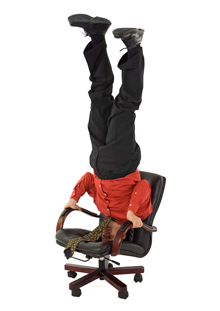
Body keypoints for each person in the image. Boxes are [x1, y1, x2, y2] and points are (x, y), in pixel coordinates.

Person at [63, 14, 153, 242]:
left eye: (101, 236)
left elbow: (87, 179)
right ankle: (134, 46)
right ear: (121, 236)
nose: (105, 234)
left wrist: (74, 198)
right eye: (108, 238)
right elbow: (143, 185)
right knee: (125, 106)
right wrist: (132, 211)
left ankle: (96, 34)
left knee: (99, 94)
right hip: (122, 162)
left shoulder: (103, 208)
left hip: (99, 159)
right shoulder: (137, 216)